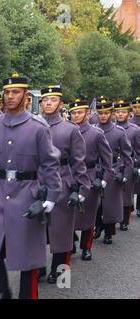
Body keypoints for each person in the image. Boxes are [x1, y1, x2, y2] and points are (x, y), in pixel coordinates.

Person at [0, 74, 62, 299]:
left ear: (26, 97)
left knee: (27, 254)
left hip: (27, 192)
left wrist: (49, 199)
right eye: (7, 92)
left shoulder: (38, 127)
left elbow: (50, 164)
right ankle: (2, 290)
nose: (10, 96)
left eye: (16, 92)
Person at [37, 87, 90, 284]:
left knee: (62, 233)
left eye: (53, 99)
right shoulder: (33, 126)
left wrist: (81, 189)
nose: (48, 103)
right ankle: (38, 267)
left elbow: (79, 162)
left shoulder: (71, 130)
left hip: (62, 184)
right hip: (37, 184)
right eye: (45, 99)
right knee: (37, 232)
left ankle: (60, 272)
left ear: (60, 104)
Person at [70, 99, 113, 261]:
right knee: (69, 213)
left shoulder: (96, 134)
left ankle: (86, 247)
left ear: (88, 114)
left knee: (88, 215)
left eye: (80, 112)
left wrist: (103, 180)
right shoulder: (67, 131)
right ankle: (71, 242)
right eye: (73, 113)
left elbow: (108, 162)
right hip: (70, 175)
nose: (76, 115)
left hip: (89, 175)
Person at [94, 99, 133, 244]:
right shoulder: (93, 129)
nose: (103, 116)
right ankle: (98, 225)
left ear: (111, 114)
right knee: (95, 203)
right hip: (96, 170)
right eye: (100, 113)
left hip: (113, 170)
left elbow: (127, 156)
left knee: (109, 204)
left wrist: (124, 175)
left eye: (106, 113)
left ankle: (109, 231)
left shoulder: (119, 132)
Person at [113, 100, 140, 231]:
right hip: (113, 164)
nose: (120, 114)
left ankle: (124, 219)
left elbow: (138, 150)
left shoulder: (135, 130)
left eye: (123, 112)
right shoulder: (110, 128)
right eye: (117, 112)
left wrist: (136, 166)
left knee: (126, 193)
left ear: (128, 114)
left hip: (128, 163)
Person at [130, 97, 140, 217]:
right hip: (132, 155)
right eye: (135, 108)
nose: (137, 110)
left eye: (139, 107)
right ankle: (129, 205)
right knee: (131, 183)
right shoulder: (130, 122)